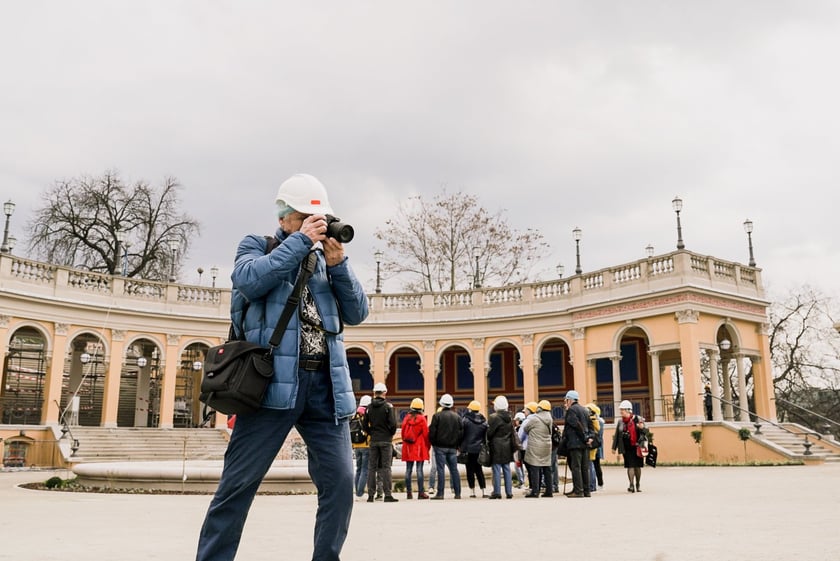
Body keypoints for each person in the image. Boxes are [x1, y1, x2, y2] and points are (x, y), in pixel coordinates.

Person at [196, 173, 369, 561]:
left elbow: (357, 312)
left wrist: (339, 264)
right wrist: (299, 243)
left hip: (325, 386)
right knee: (237, 486)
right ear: (285, 217)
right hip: (269, 385)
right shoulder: (258, 246)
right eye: (310, 218)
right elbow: (249, 280)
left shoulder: (327, 260)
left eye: (322, 218)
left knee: (341, 483)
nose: (319, 225)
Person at [364, 382, 398, 503]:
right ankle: (387, 494)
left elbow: (364, 425)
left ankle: (370, 495)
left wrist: (371, 433)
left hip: (374, 440)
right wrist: (390, 434)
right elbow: (393, 424)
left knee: (371, 468)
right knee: (386, 468)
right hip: (386, 441)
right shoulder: (388, 407)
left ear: (374, 393)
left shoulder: (368, 407)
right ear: (384, 393)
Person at [428, 393, 463, 500]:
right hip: (453, 447)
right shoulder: (457, 417)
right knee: (454, 470)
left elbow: (432, 432)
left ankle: (440, 493)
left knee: (441, 469)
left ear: (441, 404)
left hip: (440, 447)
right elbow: (461, 433)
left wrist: (434, 444)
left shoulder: (437, 416)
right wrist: (457, 445)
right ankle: (457, 493)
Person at [612, 399, 649, 493]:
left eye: (622, 410)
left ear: (628, 410)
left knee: (637, 466)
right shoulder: (620, 422)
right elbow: (617, 435)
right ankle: (631, 485)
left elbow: (646, 432)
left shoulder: (638, 419)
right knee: (630, 466)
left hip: (637, 446)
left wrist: (642, 428)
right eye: (620, 410)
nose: (621, 412)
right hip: (626, 447)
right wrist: (614, 447)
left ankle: (638, 484)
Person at [562, 390, 593, 498]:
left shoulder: (571, 410)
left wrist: (584, 437)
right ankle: (586, 491)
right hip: (585, 444)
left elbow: (576, 425)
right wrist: (589, 437)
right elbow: (590, 425)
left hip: (575, 443)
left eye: (566, 400)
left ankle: (578, 491)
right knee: (585, 467)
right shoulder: (584, 410)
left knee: (576, 467)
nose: (566, 402)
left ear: (570, 400)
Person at [486, 395, 515, 499]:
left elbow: (489, 433)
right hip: (507, 445)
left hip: (496, 445)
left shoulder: (493, 417)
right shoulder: (509, 417)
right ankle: (509, 492)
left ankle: (497, 492)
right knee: (506, 468)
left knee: (496, 468)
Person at [401, 397, 430, 499]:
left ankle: (409, 493)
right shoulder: (422, 419)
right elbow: (426, 435)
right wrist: (428, 446)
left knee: (408, 470)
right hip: (419, 448)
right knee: (419, 470)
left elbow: (403, 433)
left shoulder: (406, 418)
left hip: (408, 447)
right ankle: (421, 492)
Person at [522, 400, 553, 498]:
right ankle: (549, 491)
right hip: (547, 446)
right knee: (547, 468)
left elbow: (526, 428)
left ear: (539, 408)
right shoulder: (550, 418)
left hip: (535, 446)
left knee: (535, 467)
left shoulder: (535, 418)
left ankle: (535, 491)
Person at [460, 400, 489, 498]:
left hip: (468, 449)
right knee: (479, 470)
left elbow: (461, 433)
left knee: (470, 470)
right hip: (479, 449)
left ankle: (472, 491)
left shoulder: (465, 420)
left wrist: (460, 446)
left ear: (470, 409)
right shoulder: (484, 421)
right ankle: (484, 491)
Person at [352, 395, 372, 500]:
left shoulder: (355, 415)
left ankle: (357, 492)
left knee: (358, 469)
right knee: (365, 470)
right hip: (366, 444)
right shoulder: (367, 415)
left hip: (356, 445)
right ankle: (360, 493)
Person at [586, 402, 605, 490]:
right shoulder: (600, 421)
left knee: (593, 465)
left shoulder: (595, 421)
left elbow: (597, 433)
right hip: (598, 444)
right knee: (596, 465)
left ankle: (594, 484)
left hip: (595, 444)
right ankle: (599, 483)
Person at [512, 411, 527, 488]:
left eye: (516, 420)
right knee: (518, 465)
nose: (516, 422)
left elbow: (519, 438)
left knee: (518, 465)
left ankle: (522, 481)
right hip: (520, 450)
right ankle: (521, 481)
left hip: (520, 449)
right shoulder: (518, 428)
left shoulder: (521, 428)